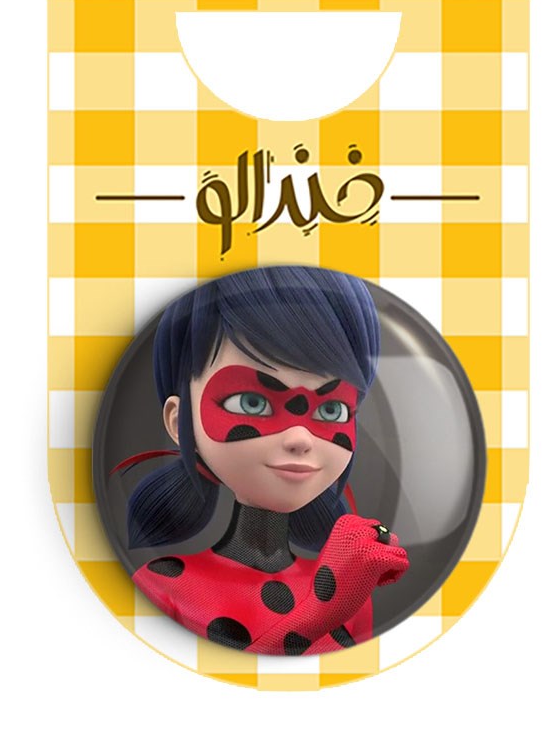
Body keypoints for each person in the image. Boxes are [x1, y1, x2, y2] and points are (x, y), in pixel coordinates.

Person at [115, 265, 409, 655]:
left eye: (332, 410)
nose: (300, 438)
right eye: (251, 402)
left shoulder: (348, 587)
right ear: (177, 420)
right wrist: (324, 606)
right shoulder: (162, 587)